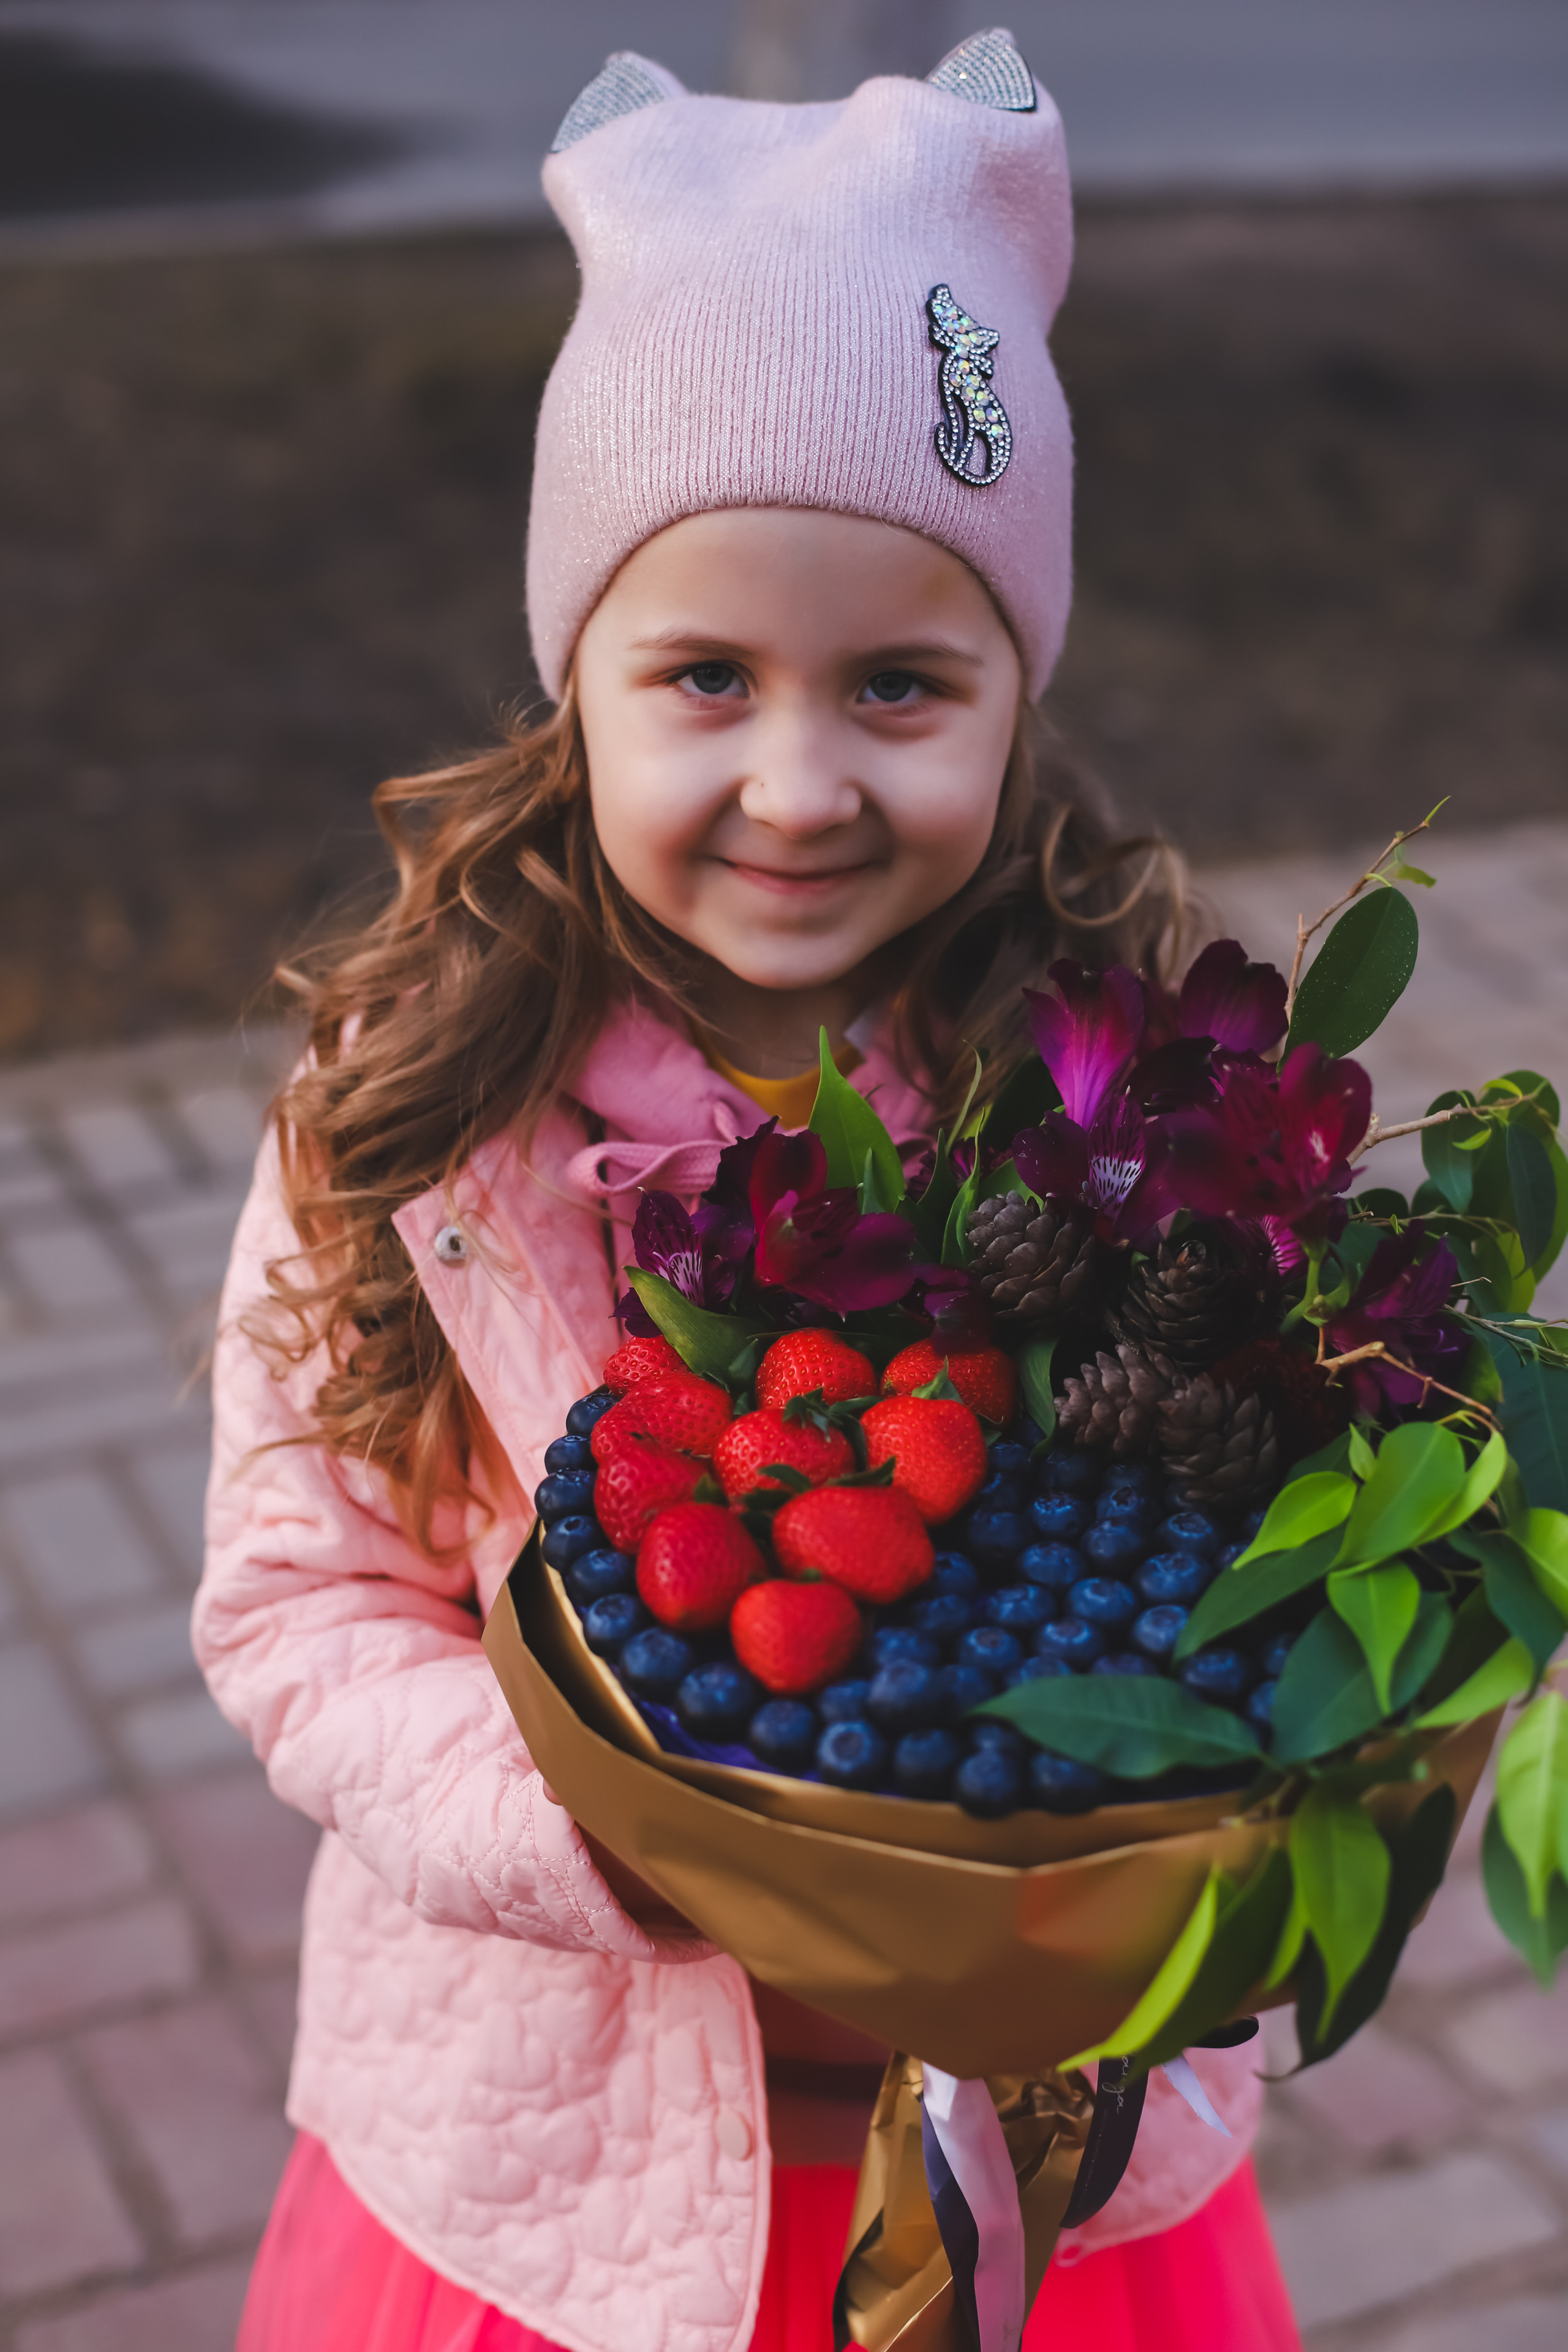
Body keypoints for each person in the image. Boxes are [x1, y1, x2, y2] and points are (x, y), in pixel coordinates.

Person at [197, 31, 1302, 2352]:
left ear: (1015, 697)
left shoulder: (1120, 1108)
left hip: (1032, 2156)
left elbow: (1247, 1548)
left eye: (900, 686)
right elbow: (303, 1607)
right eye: (705, 676)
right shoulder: (411, 1123)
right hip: (567, 2179)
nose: (797, 785)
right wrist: (604, 1828)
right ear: (574, 685)